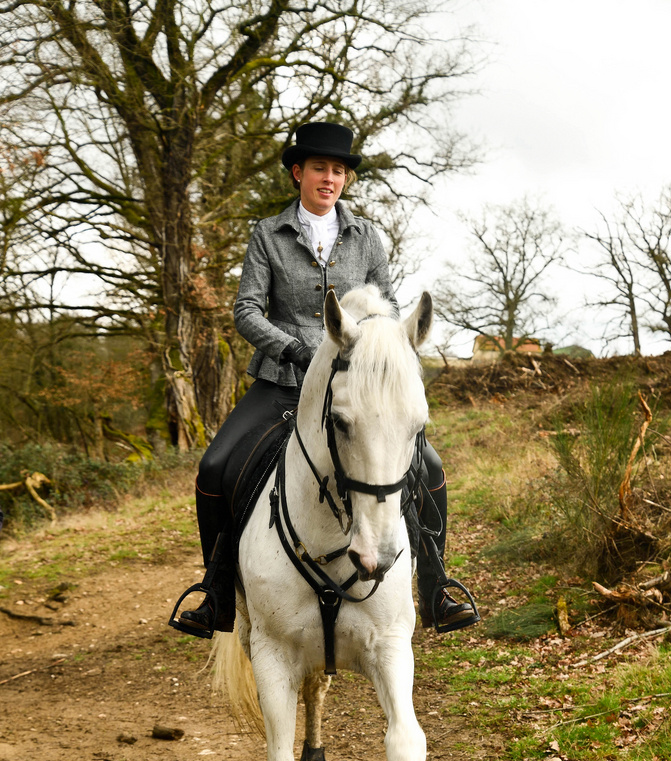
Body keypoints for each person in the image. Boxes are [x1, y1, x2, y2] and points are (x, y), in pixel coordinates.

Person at [170, 121, 478, 638]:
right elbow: (246, 311)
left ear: (346, 179)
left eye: (338, 170)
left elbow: (389, 310)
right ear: (298, 173)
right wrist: (294, 348)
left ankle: (436, 585)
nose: (329, 178)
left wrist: (380, 352)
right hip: (282, 381)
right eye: (319, 168)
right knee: (214, 466)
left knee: (429, 465)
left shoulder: (367, 237)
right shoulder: (267, 235)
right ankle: (217, 593)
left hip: (357, 390)